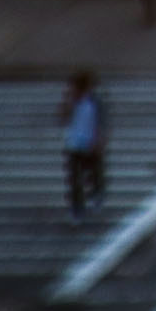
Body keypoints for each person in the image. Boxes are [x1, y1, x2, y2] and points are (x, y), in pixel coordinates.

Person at [58, 70, 106, 212]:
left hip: (90, 144)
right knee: (74, 179)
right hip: (74, 145)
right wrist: (68, 103)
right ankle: (77, 208)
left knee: (94, 173)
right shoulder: (71, 102)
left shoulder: (93, 102)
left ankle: (97, 193)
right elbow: (62, 117)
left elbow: (100, 122)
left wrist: (99, 140)